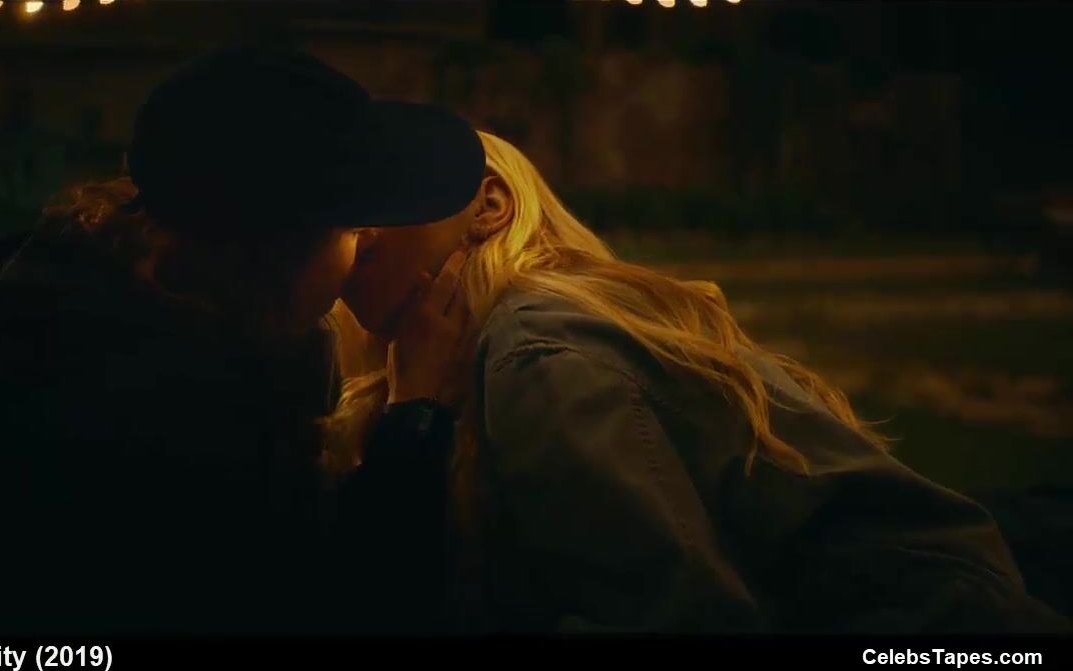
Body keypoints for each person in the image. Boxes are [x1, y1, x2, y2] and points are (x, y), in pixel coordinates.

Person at [328, 131, 1073, 633]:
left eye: (379, 204)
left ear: (490, 206)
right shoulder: (458, 365)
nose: (351, 233)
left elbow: (672, 615)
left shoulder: (536, 349)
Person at [0, 47, 485, 635]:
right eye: (353, 227)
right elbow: (344, 607)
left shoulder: (58, 304)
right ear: (273, 259)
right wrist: (416, 413)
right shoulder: (154, 413)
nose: (370, 242)